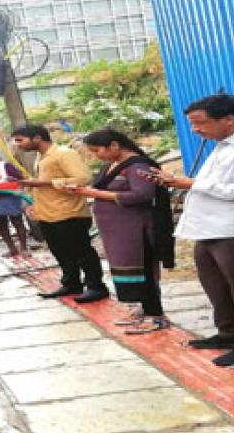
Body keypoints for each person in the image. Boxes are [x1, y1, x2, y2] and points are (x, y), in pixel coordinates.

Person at [148, 94, 234, 367]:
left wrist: (192, 184)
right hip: (210, 227)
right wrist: (179, 182)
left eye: (201, 123)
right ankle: (232, 332)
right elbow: (214, 183)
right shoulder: (223, 145)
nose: (195, 130)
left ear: (229, 119)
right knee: (217, 285)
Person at [65, 129, 175, 334]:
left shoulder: (138, 166)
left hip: (136, 228)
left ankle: (156, 315)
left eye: (97, 150)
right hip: (119, 230)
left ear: (115, 145)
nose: (96, 156)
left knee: (144, 270)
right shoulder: (113, 165)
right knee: (129, 268)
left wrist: (94, 193)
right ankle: (143, 309)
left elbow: (142, 194)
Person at [11, 124, 108, 303]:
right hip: (49, 213)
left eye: (20, 140)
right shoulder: (40, 158)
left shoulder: (64, 154)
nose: (18, 145)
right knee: (60, 251)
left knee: (82, 251)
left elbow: (83, 178)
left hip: (69, 213)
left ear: (37, 138)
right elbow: (42, 184)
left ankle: (96, 286)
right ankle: (71, 283)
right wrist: (33, 202)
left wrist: (45, 183)